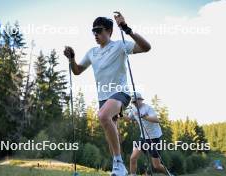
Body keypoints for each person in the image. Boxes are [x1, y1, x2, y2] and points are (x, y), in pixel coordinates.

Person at [64, 12, 151, 176]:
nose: (95, 34)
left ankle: (118, 162)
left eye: (99, 30)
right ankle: (120, 169)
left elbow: (146, 47)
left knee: (103, 116)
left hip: (120, 93)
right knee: (111, 135)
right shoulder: (92, 52)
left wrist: (126, 29)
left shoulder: (120, 45)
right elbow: (77, 71)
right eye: (93, 31)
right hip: (103, 97)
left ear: (109, 31)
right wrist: (72, 58)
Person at [124, 92, 168, 176]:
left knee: (156, 165)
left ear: (140, 100)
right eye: (133, 102)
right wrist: (120, 115)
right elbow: (129, 119)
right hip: (143, 138)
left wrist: (145, 117)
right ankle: (133, 174)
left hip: (154, 138)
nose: (134, 104)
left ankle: (168, 174)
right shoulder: (133, 109)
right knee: (133, 158)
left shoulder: (148, 108)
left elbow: (156, 120)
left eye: (136, 101)